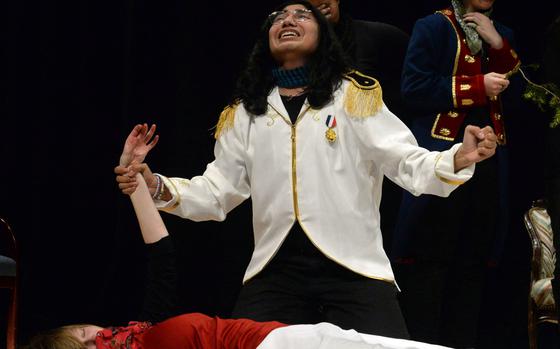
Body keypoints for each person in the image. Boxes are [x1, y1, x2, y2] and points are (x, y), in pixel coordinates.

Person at [115, 0, 497, 338]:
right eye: (279, 16)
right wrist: (157, 185)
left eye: (302, 14)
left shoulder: (354, 95)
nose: (288, 20)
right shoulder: (245, 112)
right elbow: (216, 193)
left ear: (323, 36)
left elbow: (405, 161)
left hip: (354, 266)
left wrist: (457, 158)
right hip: (274, 271)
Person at [24, 124, 460, 349]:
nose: (95, 331)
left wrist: (138, 180)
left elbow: (162, 257)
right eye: (83, 339)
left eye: (84, 328)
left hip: (276, 337)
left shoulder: (145, 329)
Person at [390, 0, 520, 347]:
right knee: (428, 261)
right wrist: (477, 87)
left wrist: (498, 45)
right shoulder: (432, 27)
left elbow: (521, 96)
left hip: (489, 161)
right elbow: (413, 87)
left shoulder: (502, 34)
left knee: (473, 263)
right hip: (440, 155)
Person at [308, 0, 410, 249]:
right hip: (315, 164)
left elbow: (418, 82)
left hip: (371, 163)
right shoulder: (292, 50)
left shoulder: (376, 36)